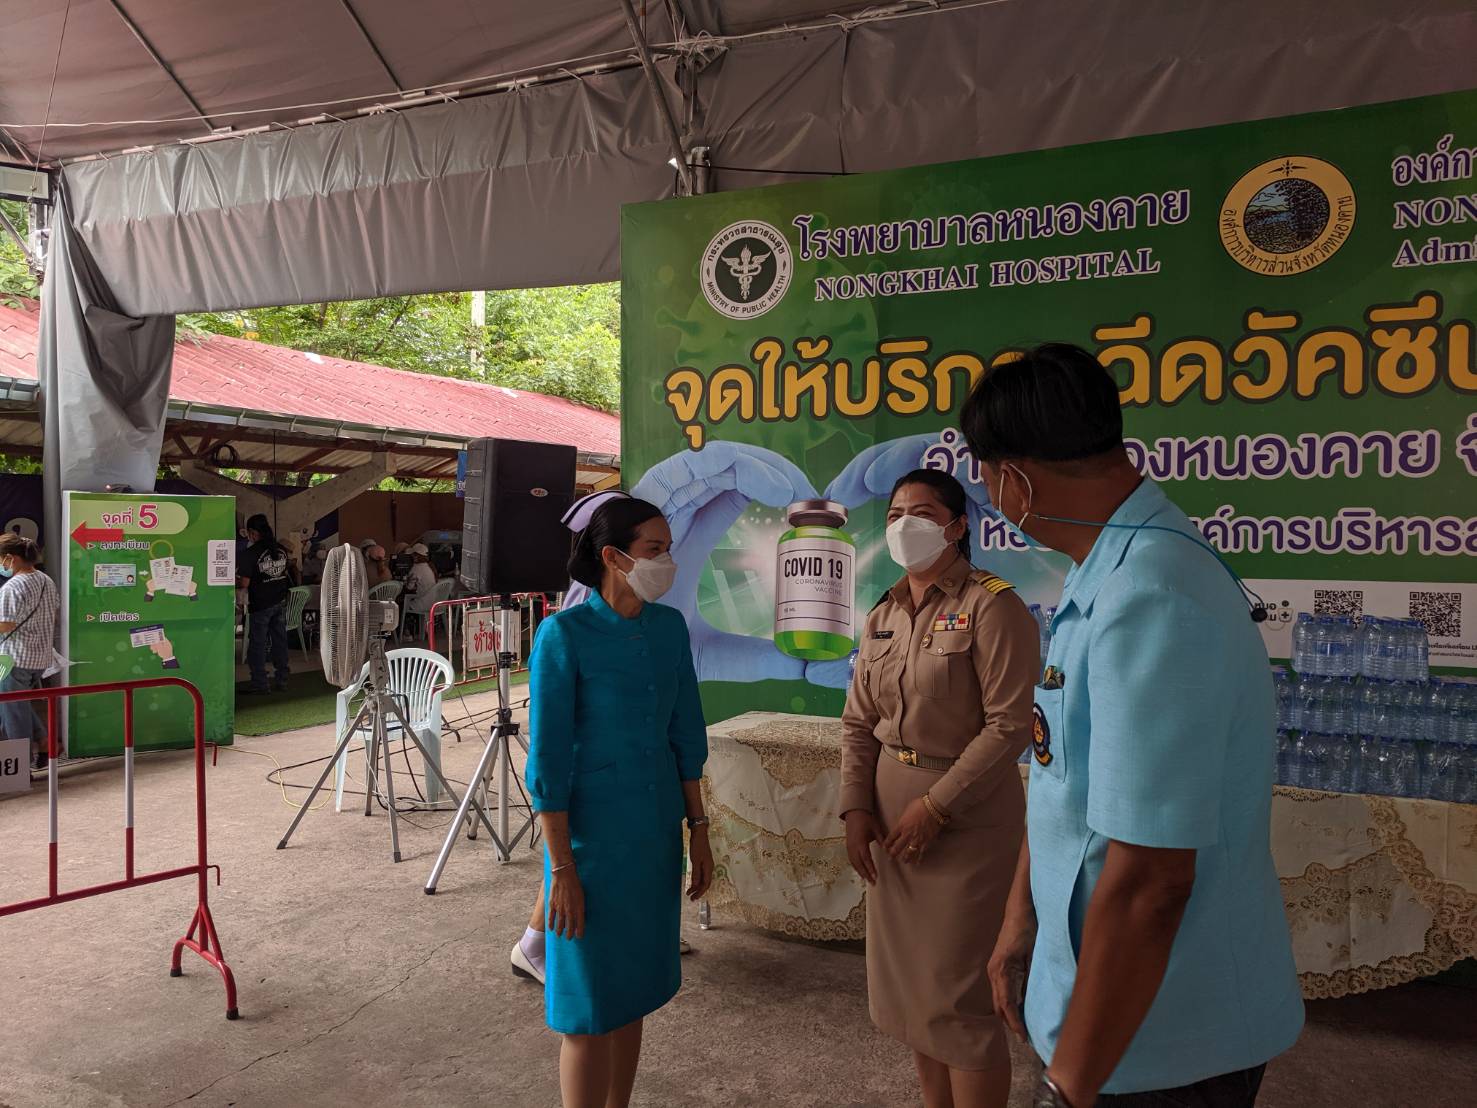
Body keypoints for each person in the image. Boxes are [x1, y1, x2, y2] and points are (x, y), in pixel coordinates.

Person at [960, 344, 1303, 1108]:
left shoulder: (1151, 595)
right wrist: (1023, 920)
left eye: (984, 475)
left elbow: (1152, 879)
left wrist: (1067, 1087)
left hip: (1161, 1035)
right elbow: (1060, 780)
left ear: (1014, 476)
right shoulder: (1104, 569)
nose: (988, 495)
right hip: (1105, 1004)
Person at [840, 470, 1038, 1108]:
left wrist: (936, 805)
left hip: (968, 827)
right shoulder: (884, 611)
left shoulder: (993, 605)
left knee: (960, 1005)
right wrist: (855, 808)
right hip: (893, 825)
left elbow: (1010, 727)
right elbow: (858, 724)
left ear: (957, 526)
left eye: (921, 512)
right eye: (895, 512)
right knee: (912, 1002)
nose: (904, 524)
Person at [525, 493, 713, 1108]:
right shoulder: (564, 636)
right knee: (586, 1010)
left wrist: (700, 829)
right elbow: (547, 767)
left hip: (655, 840)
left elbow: (686, 734)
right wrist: (561, 872)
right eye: (653, 551)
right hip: (589, 849)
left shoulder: (668, 629)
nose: (667, 563)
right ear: (613, 556)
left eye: (668, 550)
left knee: (632, 997)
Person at [0, 535, 60, 770]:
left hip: (13, 658)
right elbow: (53, 615)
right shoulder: (46, 580)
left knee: (12, 711)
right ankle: (44, 742)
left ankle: (20, 766)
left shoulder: (12, 587)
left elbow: (5, 624)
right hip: (39, 658)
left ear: (11, 558)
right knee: (17, 703)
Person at [238, 514, 296, 695]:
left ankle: (260, 683)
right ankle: (283, 679)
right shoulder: (281, 550)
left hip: (261, 604)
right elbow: (283, 573)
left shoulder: (250, 553)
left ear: (253, 532)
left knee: (257, 644)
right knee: (280, 642)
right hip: (279, 601)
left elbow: (245, 583)